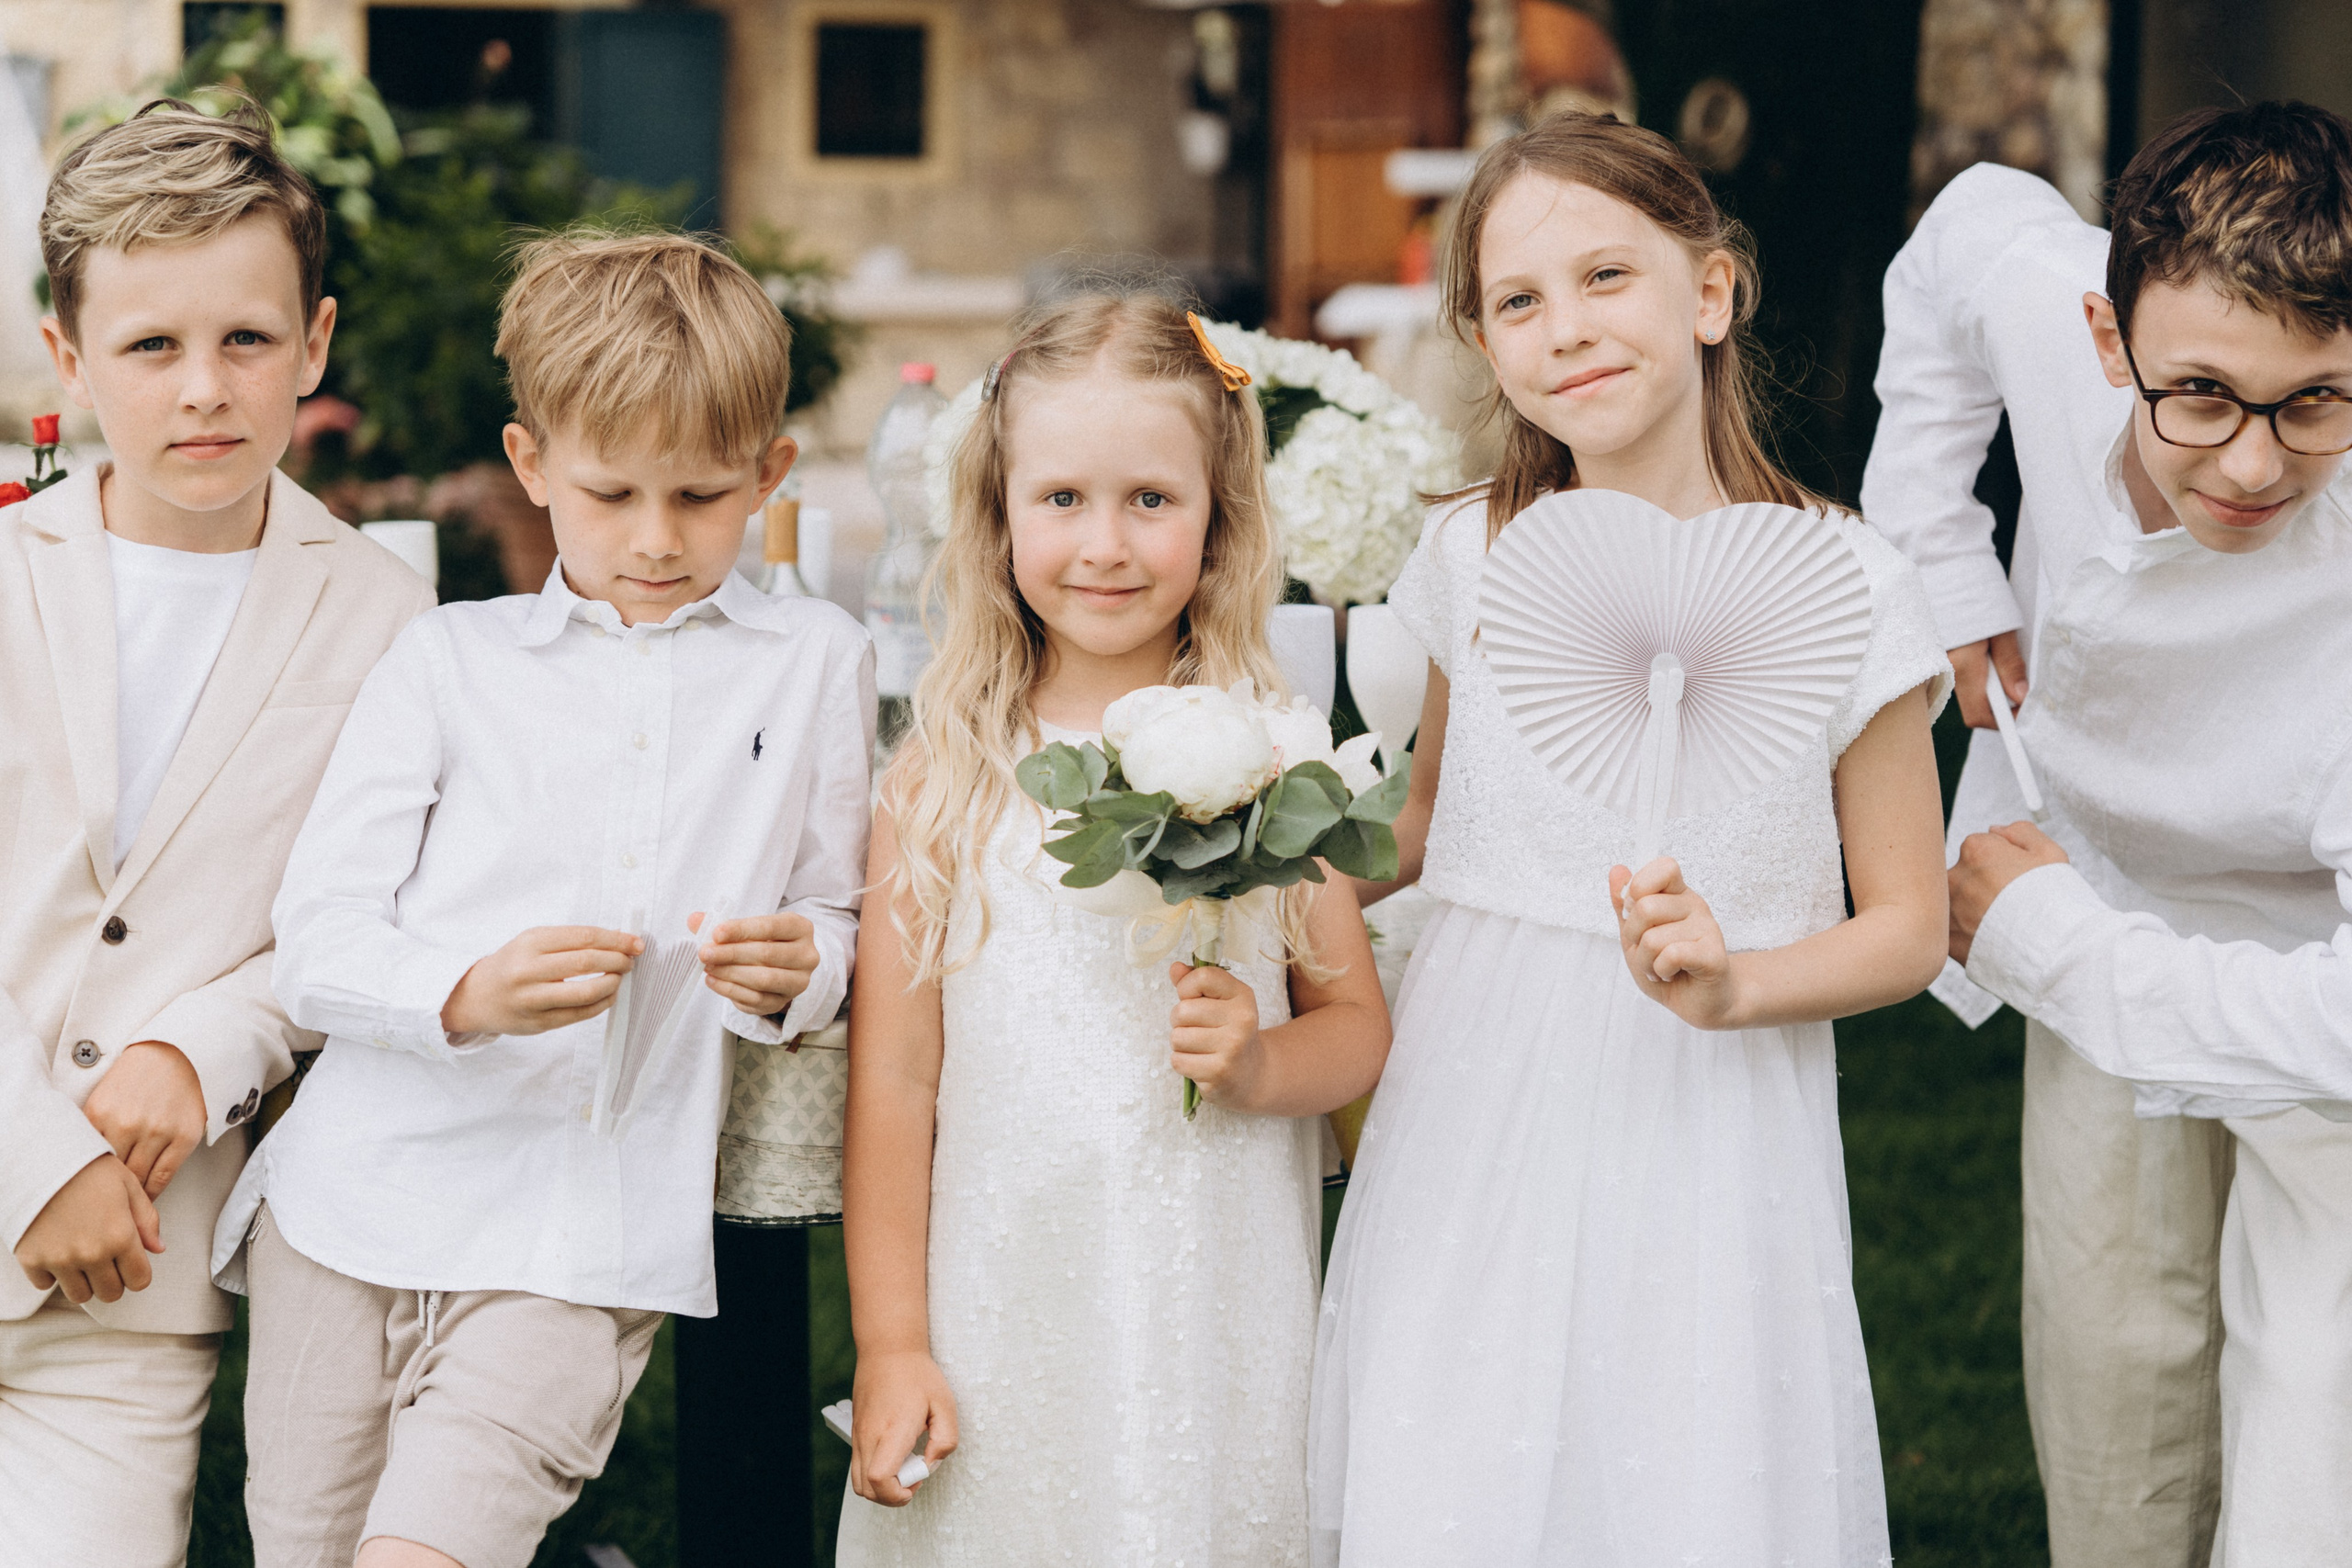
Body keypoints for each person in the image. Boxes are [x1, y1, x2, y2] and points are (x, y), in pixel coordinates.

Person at [1307, 112, 1952, 1565]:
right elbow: (1419, 823)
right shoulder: (1472, 552)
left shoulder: (1848, 583)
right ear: (1482, 342)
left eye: (1607, 277)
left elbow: (1908, 925)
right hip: (1477, 1082)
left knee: (1684, 1463)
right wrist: (1239, 848)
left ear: (1712, 293)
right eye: (1520, 303)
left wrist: (1737, 986)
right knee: (1460, 1445)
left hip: (1708, 1105)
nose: (1567, 330)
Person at [212, 230, 874, 1568]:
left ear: (769, 474)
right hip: (352, 1207)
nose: (653, 538)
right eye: (611, 492)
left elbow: (841, 910)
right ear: (531, 467)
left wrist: (801, 966)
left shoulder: (816, 660)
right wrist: (466, 993)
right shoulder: (447, 662)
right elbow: (317, 940)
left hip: (583, 1232)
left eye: (699, 497)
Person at [835, 291, 1392, 1566]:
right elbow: (897, 1084)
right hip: (1008, 1299)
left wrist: (1261, 1065)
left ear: (1219, 516)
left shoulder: (1278, 755)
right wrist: (894, 1344)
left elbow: (1356, 1030)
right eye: (1062, 500)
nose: (1106, 543)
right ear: (997, 512)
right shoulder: (945, 778)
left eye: (1152, 500)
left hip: (1219, 1303)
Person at [1868, 102, 2352, 1567]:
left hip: (2314, 979)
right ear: (2105, 338)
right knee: (2111, 1366)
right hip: (2097, 876)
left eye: (2318, 403)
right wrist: (1938, 547)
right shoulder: (2042, 296)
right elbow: (1961, 235)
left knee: (2308, 1447)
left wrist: (2050, 945)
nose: (2255, 464)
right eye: (2201, 393)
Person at [0, 99, 435, 1565]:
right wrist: (30, 1158)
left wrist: (210, 1043)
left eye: (246, 342)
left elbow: (378, 908)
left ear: (313, 344)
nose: (204, 390)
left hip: (128, 1296)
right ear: (68, 360)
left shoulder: (390, 621)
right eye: (150, 348)